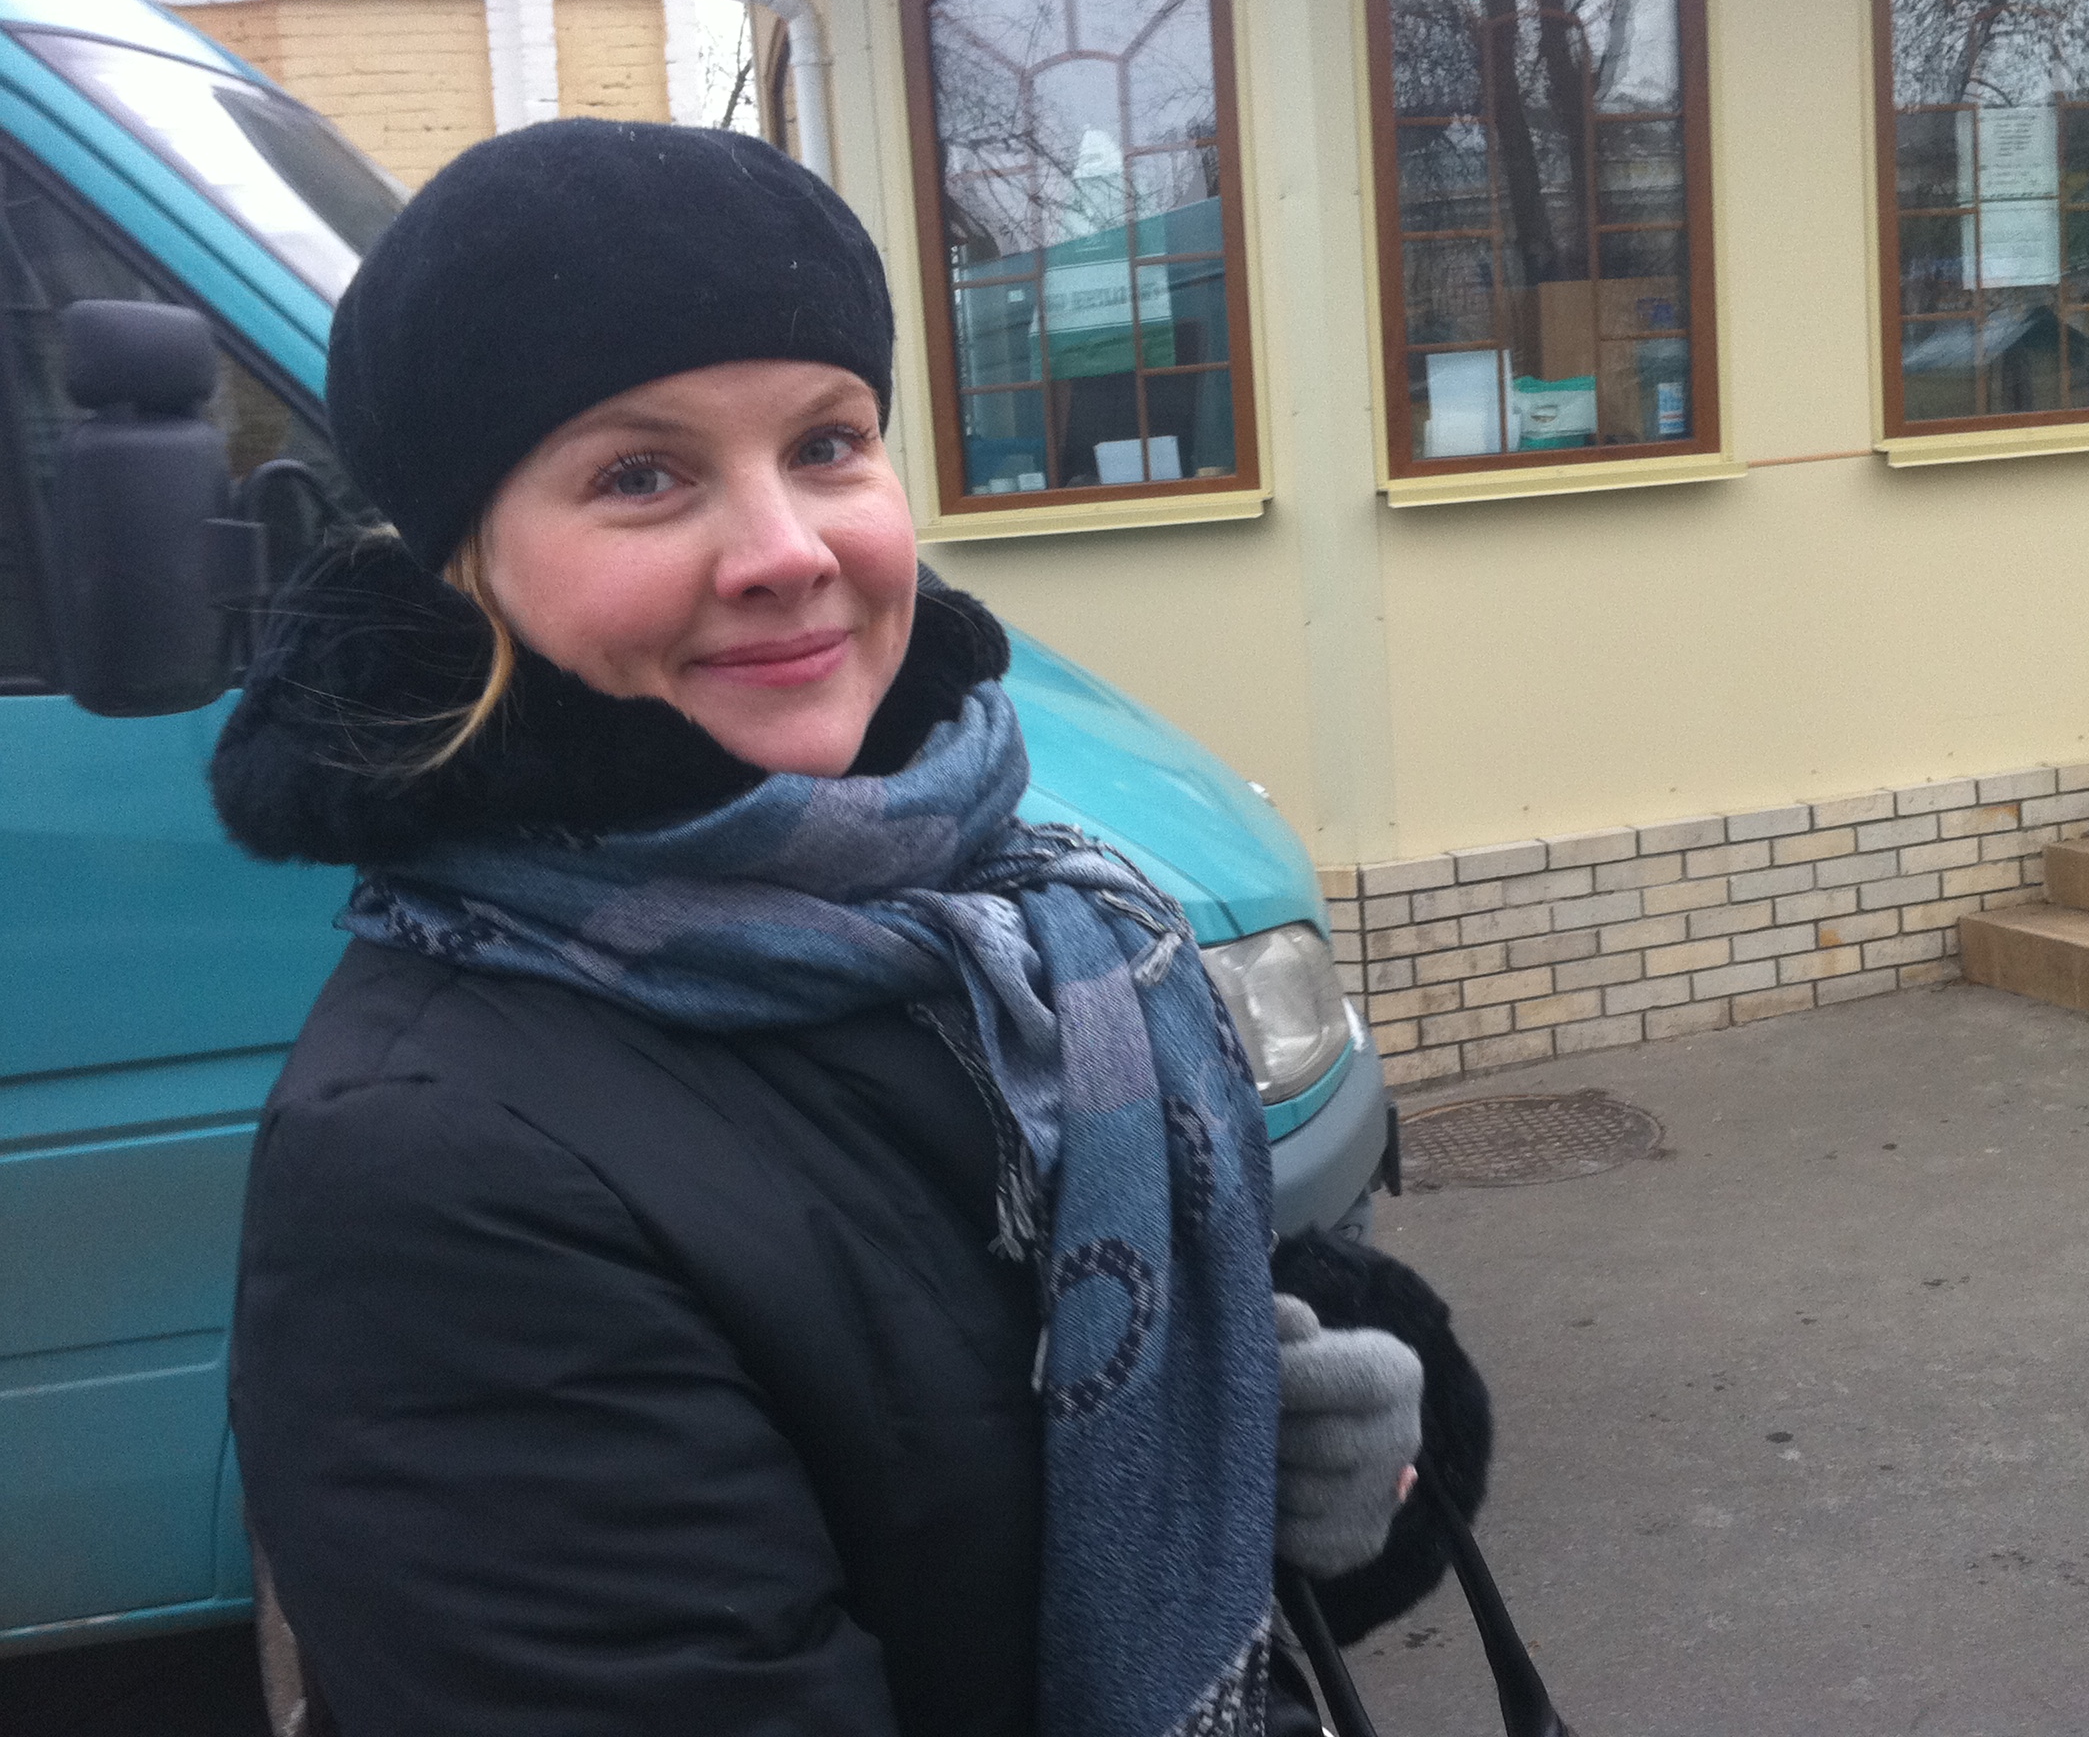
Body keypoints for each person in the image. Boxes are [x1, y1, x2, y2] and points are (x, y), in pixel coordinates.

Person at [213, 118, 1425, 1737]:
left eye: (829, 444)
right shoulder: (431, 1168)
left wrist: (1283, 1428)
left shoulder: (1025, 915)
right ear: (462, 564)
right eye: (640, 475)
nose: (786, 552)